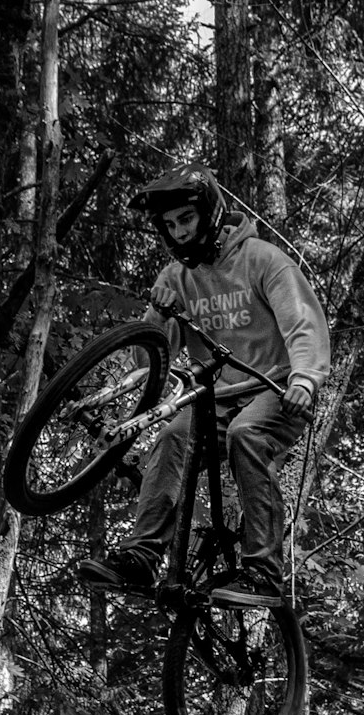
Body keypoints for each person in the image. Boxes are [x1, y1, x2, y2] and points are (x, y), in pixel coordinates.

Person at [77, 162, 330, 607]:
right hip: (216, 398)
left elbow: (303, 326)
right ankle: (141, 556)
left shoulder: (263, 261)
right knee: (174, 435)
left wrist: (306, 379)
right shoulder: (175, 279)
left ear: (209, 211)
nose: (178, 232)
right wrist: (158, 316)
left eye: (186, 219)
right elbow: (148, 364)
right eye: (169, 225)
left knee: (246, 433)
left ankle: (264, 573)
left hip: (277, 389)